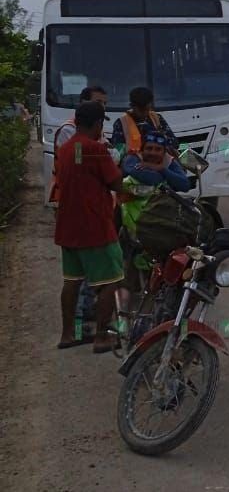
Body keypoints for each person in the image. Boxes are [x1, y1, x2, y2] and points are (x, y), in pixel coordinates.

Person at [55, 100, 124, 354]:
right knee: (110, 281)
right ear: (97, 124)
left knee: (71, 281)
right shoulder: (95, 149)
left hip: (67, 226)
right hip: (95, 226)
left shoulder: (65, 149)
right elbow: (117, 183)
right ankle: (102, 337)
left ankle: (67, 334)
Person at [117, 131, 190, 311]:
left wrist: (161, 170)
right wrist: (161, 173)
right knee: (126, 275)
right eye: (149, 148)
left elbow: (185, 184)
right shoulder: (131, 158)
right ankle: (121, 319)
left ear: (164, 151)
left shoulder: (167, 162)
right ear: (142, 149)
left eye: (158, 149)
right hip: (132, 228)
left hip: (160, 228)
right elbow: (150, 178)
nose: (153, 152)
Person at [111, 86, 179, 158]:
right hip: (135, 164)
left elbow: (174, 142)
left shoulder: (157, 118)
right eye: (141, 110)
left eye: (147, 109)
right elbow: (118, 153)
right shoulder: (121, 123)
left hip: (159, 162)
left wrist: (162, 141)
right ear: (132, 106)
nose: (145, 113)